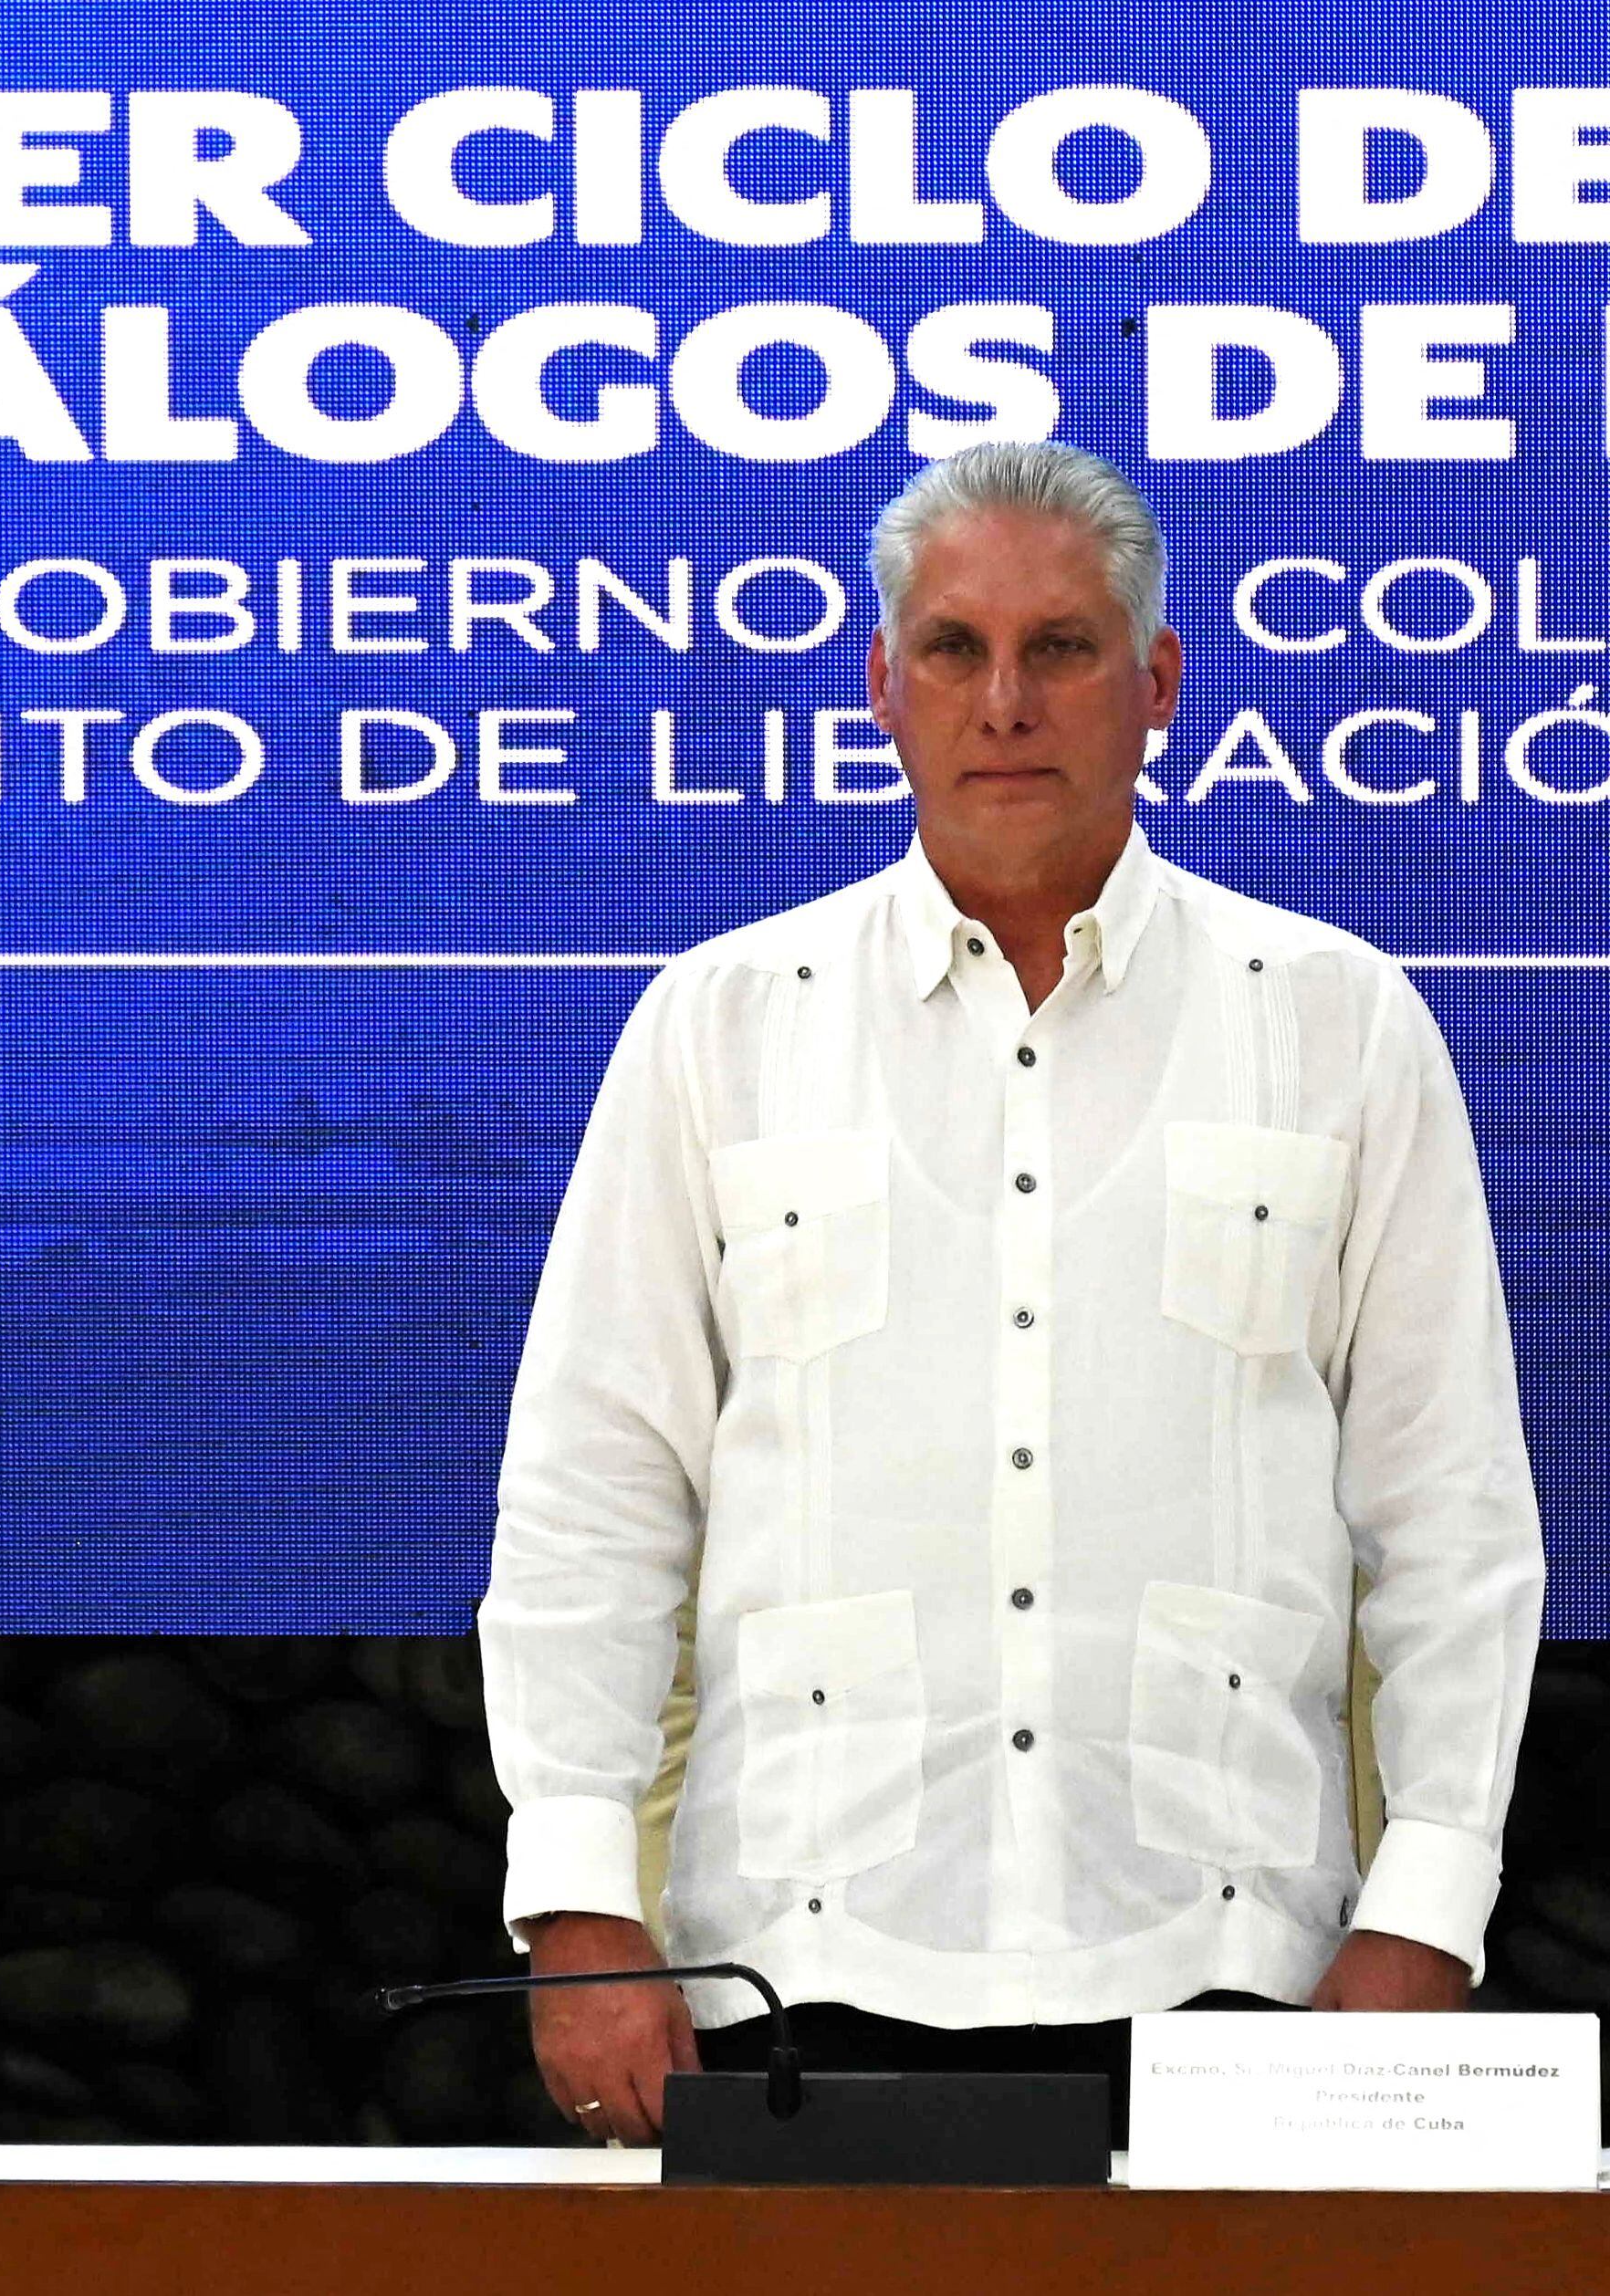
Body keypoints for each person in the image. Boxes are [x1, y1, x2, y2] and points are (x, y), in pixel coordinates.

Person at [479, 442, 1542, 2149]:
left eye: (1060, 647)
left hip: (1235, 1967)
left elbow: (1448, 1515)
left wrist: (1422, 1904)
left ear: (1157, 684)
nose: (1004, 701)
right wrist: (581, 1907)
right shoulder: (720, 1024)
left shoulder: (1337, 1021)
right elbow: (592, 1503)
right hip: (790, 1971)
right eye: (955, 650)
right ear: (881, 687)